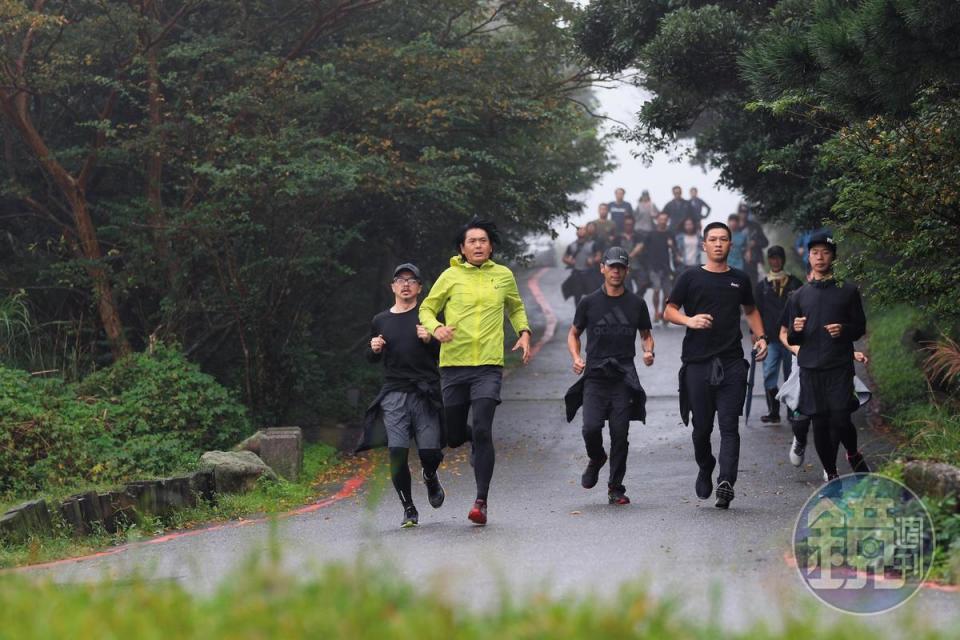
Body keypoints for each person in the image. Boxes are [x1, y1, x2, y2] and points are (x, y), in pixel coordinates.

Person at [419, 219, 532, 525]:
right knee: (455, 436)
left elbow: (515, 307)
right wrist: (436, 328)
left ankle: (480, 501)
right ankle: (464, 451)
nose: (479, 245)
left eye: (483, 241)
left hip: (488, 366)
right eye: (472, 241)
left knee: (482, 429)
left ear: (491, 246)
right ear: (462, 248)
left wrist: (523, 331)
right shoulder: (450, 276)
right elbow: (426, 309)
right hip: (454, 366)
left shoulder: (503, 275)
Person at [663, 221, 769, 509]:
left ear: (730, 245)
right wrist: (689, 320)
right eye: (713, 239)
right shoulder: (690, 277)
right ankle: (706, 465)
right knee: (701, 430)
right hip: (697, 363)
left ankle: (726, 482)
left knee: (729, 426)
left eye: (724, 239)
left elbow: (751, 310)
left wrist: (760, 338)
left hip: (732, 362)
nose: (719, 244)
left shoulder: (740, 279)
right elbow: (669, 310)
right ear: (704, 245)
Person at [565, 247, 654, 505]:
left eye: (621, 267)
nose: (616, 271)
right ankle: (596, 457)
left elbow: (646, 334)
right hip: (594, 374)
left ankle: (616, 487)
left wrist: (648, 351)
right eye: (612, 266)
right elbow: (574, 333)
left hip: (623, 376)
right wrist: (576, 358)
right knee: (590, 427)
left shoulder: (637, 303)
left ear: (626, 270)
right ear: (602, 268)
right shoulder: (588, 302)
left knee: (620, 433)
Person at [359, 263, 445, 528]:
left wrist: (431, 340)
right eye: (400, 279)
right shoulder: (380, 320)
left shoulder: (428, 316)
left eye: (412, 280)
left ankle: (430, 476)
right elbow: (371, 358)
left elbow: (445, 353)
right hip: (394, 394)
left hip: (425, 392)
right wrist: (373, 349)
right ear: (393, 287)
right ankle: (408, 508)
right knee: (397, 453)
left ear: (420, 287)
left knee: (430, 452)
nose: (406, 284)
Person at [784, 231, 870, 481]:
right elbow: (791, 338)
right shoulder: (799, 296)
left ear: (833, 256)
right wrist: (796, 330)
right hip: (810, 368)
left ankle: (852, 453)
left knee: (841, 418)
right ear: (808, 258)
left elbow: (860, 328)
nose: (819, 257)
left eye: (825, 252)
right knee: (819, 422)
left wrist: (844, 330)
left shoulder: (848, 291)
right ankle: (831, 475)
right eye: (814, 253)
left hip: (839, 366)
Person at [754, 246, 802, 424]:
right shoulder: (762, 286)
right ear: (769, 260)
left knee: (792, 375)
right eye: (772, 258)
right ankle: (773, 411)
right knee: (768, 374)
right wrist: (756, 334)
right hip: (770, 338)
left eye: (778, 258)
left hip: (791, 338)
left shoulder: (795, 283)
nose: (775, 261)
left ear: (783, 260)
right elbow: (755, 312)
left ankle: (792, 411)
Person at [639, 212, 675, 323]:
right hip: (653, 267)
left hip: (666, 268)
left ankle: (664, 313)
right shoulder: (651, 234)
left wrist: (671, 245)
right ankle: (656, 312)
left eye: (665, 219)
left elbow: (675, 250)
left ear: (667, 221)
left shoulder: (670, 234)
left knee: (668, 294)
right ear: (657, 220)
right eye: (661, 219)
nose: (663, 221)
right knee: (656, 290)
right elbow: (642, 247)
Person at [561, 225, 602, 306]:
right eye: (579, 229)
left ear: (586, 232)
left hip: (589, 274)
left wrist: (593, 260)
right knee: (577, 297)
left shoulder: (593, 244)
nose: (581, 231)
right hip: (577, 275)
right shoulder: (571, 245)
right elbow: (564, 258)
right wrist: (569, 261)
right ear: (576, 232)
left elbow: (599, 256)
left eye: (583, 229)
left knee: (592, 297)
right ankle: (579, 315)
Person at [619, 214, 649, 297]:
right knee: (627, 288)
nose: (629, 226)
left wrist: (639, 252)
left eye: (630, 224)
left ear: (633, 225)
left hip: (638, 265)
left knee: (643, 284)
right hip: (624, 267)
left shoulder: (639, 236)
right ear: (624, 225)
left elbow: (644, 248)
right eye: (627, 224)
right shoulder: (618, 237)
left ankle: (637, 300)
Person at [738, 204, 769, 283]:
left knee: (753, 286)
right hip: (737, 262)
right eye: (741, 212)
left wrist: (755, 243)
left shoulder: (755, 226)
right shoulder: (734, 227)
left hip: (753, 262)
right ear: (738, 213)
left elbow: (765, 242)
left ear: (748, 213)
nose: (743, 214)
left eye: (745, 212)